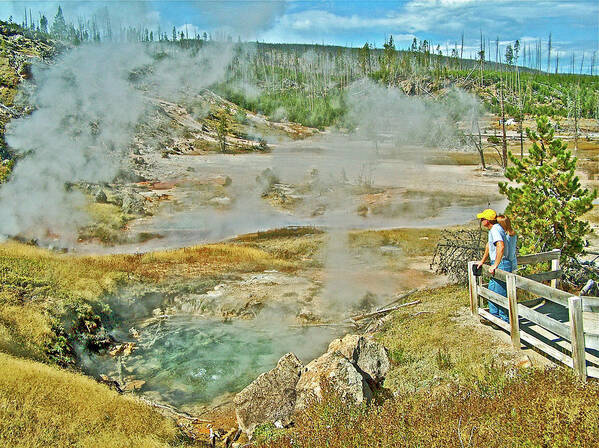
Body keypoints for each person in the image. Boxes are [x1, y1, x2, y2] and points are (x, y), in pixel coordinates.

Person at [476, 209, 511, 322]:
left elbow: (500, 246)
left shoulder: (495, 229)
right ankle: (494, 317)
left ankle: (503, 320)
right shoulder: (493, 230)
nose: (481, 221)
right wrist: (482, 261)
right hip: (497, 262)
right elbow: (488, 246)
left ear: (488, 221)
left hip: (501, 263)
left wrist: (496, 264)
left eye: (483, 219)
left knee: (499, 293)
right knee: (492, 290)